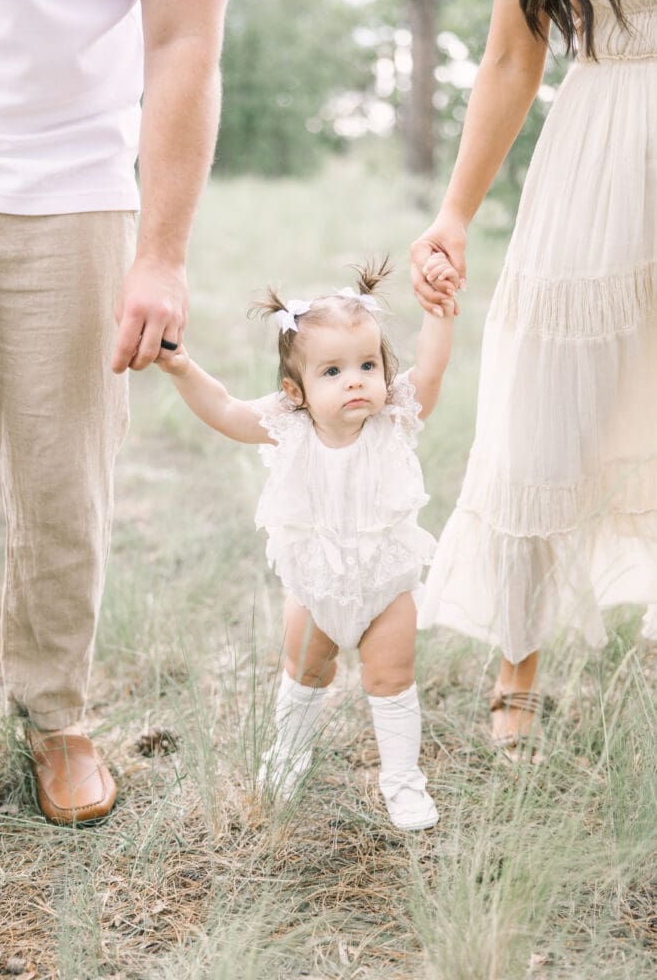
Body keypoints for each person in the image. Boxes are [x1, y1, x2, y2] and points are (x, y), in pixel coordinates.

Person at [0, 0, 234, 824]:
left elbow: (183, 44)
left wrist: (160, 256)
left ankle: (54, 720)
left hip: (65, 192)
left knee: (61, 479)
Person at [410, 0, 656, 757]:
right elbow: (513, 58)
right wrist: (454, 212)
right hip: (601, 151)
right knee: (546, 405)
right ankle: (517, 665)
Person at [156, 257, 457, 829]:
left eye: (367, 365)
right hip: (316, 585)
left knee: (392, 680)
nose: (354, 380)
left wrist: (438, 314)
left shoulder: (391, 419)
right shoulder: (289, 423)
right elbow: (224, 409)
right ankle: (288, 754)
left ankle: (402, 781)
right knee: (303, 673)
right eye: (333, 371)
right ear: (295, 392)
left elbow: (433, 374)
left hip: (385, 585)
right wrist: (181, 368)